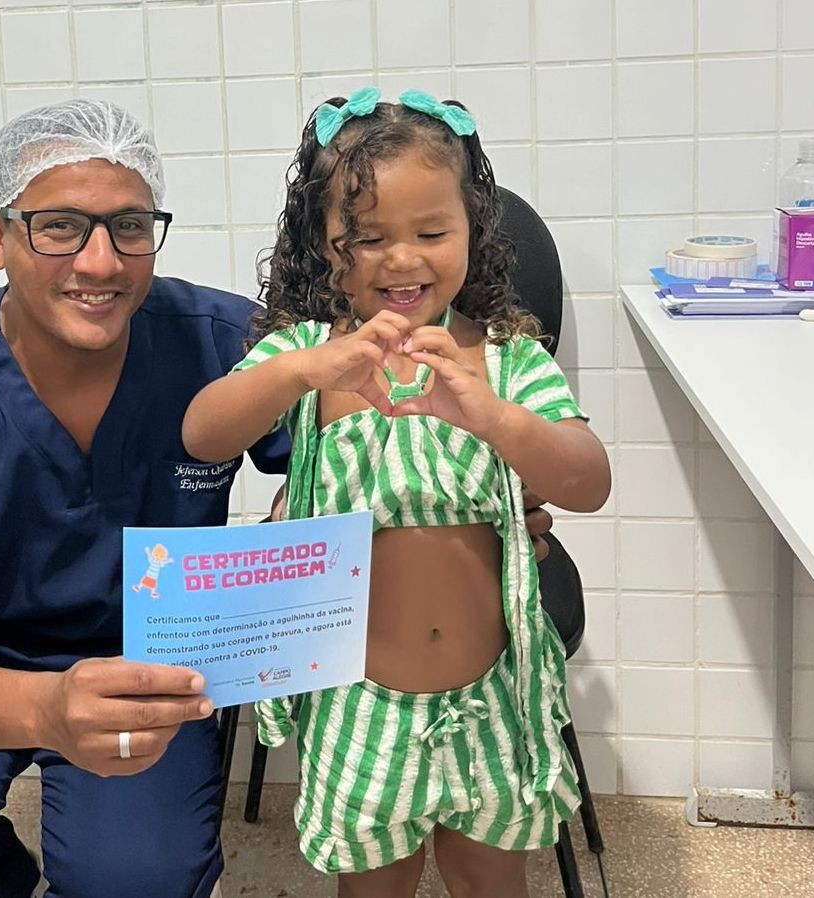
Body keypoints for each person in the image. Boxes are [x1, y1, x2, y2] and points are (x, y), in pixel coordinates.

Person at [0, 99, 290, 898]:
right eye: (59, 226)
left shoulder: (224, 343)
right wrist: (46, 708)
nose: (101, 262)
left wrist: (305, 529)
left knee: (137, 881)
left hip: (149, 664)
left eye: (129, 226)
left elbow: (347, 459)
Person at [182, 87, 611, 898]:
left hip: (494, 698)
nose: (401, 259)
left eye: (431, 233)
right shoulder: (311, 355)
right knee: (373, 885)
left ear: (473, 231)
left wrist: (496, 419)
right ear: (323, 245)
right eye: (367, 238)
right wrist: (300, 370)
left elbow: (588, 482)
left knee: (492, 880)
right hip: (358, 706)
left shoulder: (508, 359)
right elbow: (204, 434)